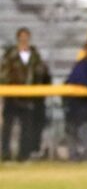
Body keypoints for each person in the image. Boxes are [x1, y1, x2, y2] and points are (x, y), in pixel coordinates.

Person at [0, 28, 51, 161]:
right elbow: (4, 72)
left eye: (26, 36)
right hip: (12, 96)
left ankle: (24, 154)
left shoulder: (34, 55)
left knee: (27, 127)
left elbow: (41, 72)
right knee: (7, 127)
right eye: (22, 36)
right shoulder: (11, 54)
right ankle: (5, 154)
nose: (24, 39)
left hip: (29, 97)